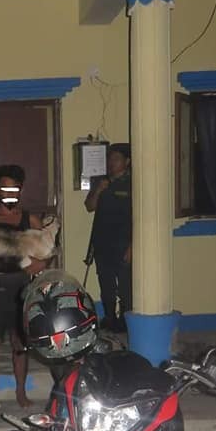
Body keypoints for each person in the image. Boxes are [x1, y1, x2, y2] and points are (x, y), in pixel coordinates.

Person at [0, 165, 48, 407]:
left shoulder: (31, 220)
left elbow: (45, 252)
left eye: (15, 189)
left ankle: (21, 392)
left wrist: (42, 264)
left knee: (19, 342)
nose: (10, 193)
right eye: (5, 189)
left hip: (21, 288)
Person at [84, 143, 131, 333]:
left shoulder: (133, 183)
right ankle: (110, 318)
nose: (112, 163)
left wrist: (132, 247)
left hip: (124, 243)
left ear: (127, 161)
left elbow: (139, 218)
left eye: (116, 159)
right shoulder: (101, 182)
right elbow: (89, 206)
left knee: (126, 286)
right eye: (110, 159)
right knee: (106, 284)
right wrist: (99, 190)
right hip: (102, 243)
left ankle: (126, 320)